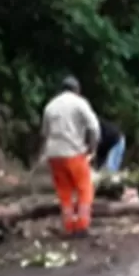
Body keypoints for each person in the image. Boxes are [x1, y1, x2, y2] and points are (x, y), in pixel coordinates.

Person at [40, 76, 101, 237]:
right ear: (77, 90)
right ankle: (81, 225)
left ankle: (68, 225)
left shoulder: (50, 106)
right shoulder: (79, 102)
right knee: (84, 188)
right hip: (73, 152)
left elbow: (45, 133)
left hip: (54, 154)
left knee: (64, 191)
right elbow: (94, 127)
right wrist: (92, 149)